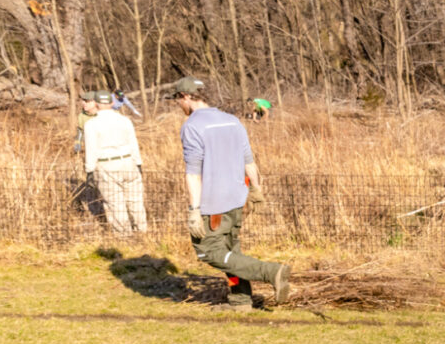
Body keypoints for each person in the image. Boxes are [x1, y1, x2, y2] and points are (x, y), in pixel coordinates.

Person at [162, 76, 291, 310]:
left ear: (187, 97)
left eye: (178, 100)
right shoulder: (232, 121)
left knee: (209, 253)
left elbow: (193, 174)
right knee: (231, 252)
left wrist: (194, 210)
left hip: (213, 205)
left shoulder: (192, 126)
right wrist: (256, 189)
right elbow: (249, 162)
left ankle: (272, 272)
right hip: (237, 200)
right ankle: (240, 301)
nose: (179, 106)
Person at [82, 89, 148, 234]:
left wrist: (89, 171)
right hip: (129, 162)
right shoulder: (125, 120)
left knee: (115, 203)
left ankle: (124, 237)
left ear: (97, 104)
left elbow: (91, 150)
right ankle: (142, 232)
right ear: (112, 102)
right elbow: (133, 143)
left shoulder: (91, 124)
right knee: (136, 201)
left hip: (107, 165)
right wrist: (138, 163)